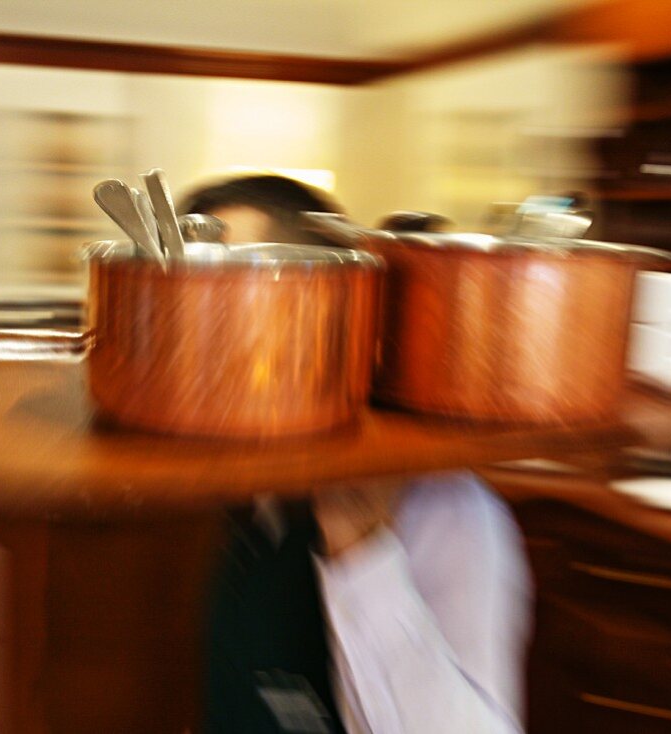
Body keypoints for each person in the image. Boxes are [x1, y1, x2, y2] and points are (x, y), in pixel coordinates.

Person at [181, 173, 533, 734]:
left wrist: (362, 551)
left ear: (330, 310)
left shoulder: (449, 509)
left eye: (236, 296)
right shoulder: (233, 482)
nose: (198, 338)